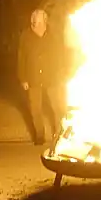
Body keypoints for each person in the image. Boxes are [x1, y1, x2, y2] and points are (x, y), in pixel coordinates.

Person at [18, 9, 66, 146]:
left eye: (38, 22)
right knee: (35, 108)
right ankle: (40, 135)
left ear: (45, 22)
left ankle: (59, 134)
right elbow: (21, 58)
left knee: (57, 107)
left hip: (51, 77)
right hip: (33, 77)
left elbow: (60, 56)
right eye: (34, 22)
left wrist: (60, 73)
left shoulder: (52, 36)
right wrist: (23, 78)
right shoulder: (26, 36)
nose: (35, 25)